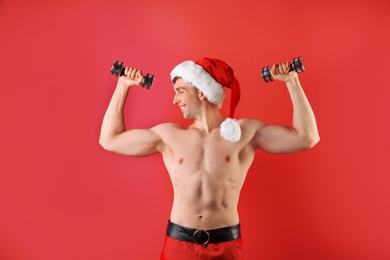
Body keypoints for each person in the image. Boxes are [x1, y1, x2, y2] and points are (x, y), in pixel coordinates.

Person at [99, 57, 320, 260]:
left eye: (180, 91)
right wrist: (123, 85)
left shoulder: (243, 133)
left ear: (202, 92)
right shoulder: (169, 136)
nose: (175, 100)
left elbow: (306, 138)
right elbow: (109, 140)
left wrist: (292, 82)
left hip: (225, 245)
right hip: (178, 245)